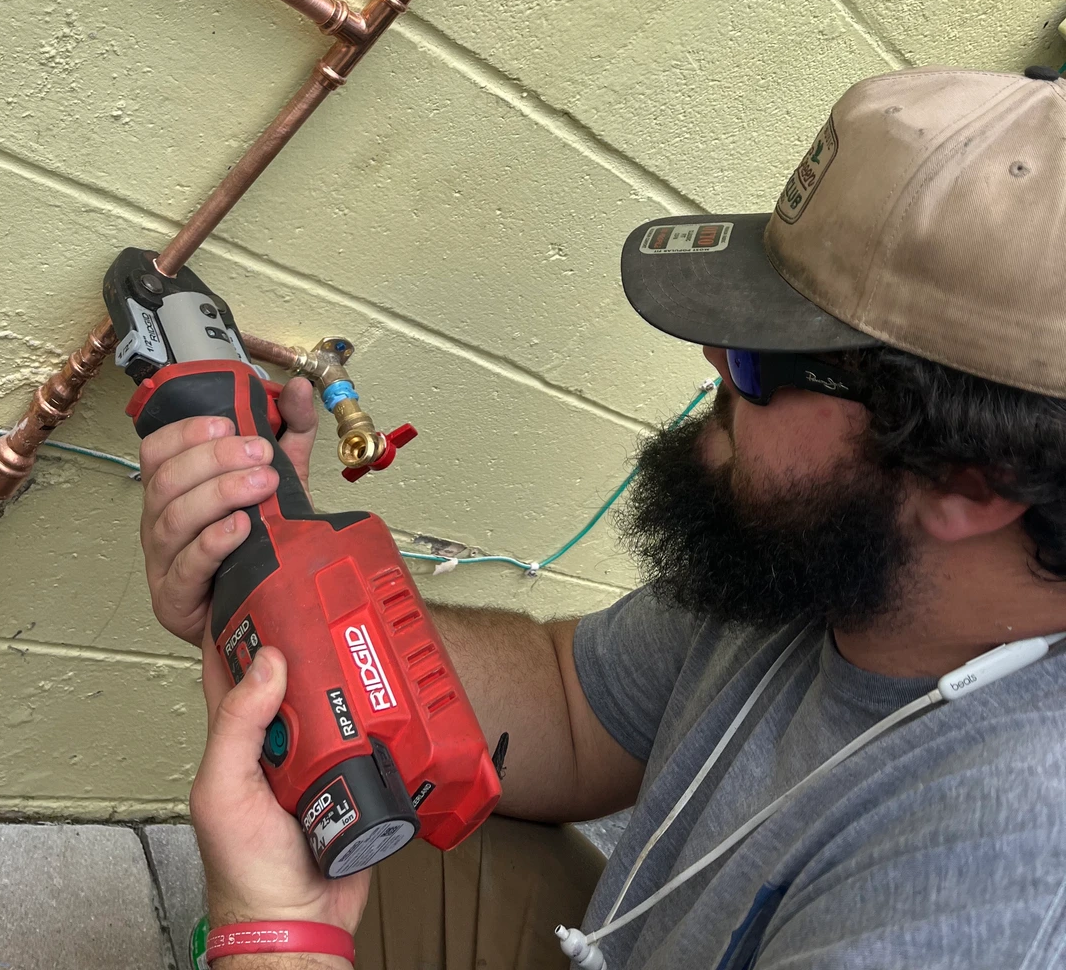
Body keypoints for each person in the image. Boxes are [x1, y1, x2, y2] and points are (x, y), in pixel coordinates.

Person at [152, 66, 1066, 970]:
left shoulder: (996, 890)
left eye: (765, 355)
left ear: (970, 480)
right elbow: (569, 707)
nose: (715, 355)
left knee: (289, 893)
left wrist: (275, 940)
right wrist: (279, 575)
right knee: (381, 834)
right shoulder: (823, 561)